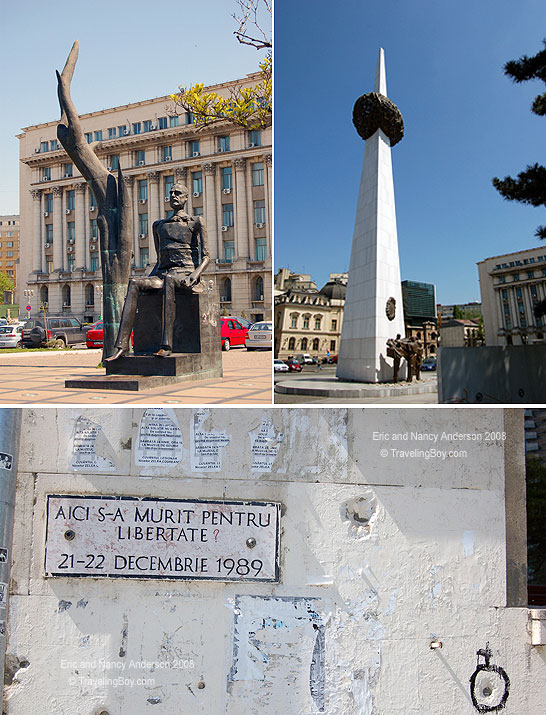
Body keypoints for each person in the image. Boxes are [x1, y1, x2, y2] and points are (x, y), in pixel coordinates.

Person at [105, 183, 210, 360]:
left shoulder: (196, 222)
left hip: (187, 274)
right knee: (135, 283)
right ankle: (121, 346)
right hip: (164, 274)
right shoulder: (158, 226)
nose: (174, 196)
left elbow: (207, 257)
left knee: (169, 280)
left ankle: (166, 345)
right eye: (171, 193)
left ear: (186, 198)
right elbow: (159, 260)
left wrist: (194, 275)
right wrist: (150, 278)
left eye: (178, 193)